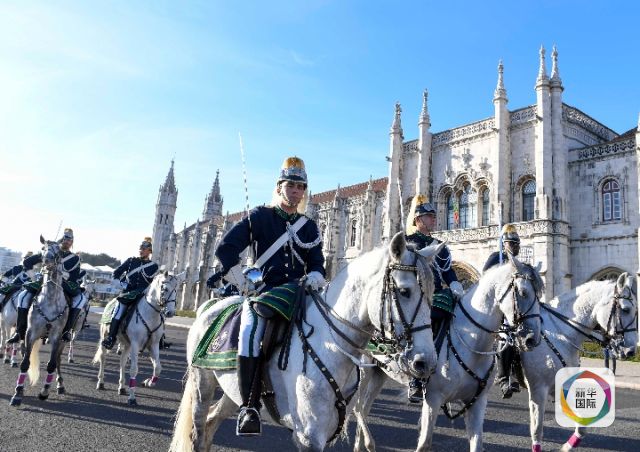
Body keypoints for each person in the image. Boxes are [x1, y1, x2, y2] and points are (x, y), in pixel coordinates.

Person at [213, 156, 325, 436]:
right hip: (264, 293)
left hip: (299, 293)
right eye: (290, 186)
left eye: (300, 187)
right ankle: (249, 407)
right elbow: (225, 248)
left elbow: (317, 262)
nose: (295, 192)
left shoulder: (308, 226)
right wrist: (241, 280)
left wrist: (316, 275)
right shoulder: (261, 217)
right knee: (249, 332)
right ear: (279, 187)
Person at [404, 194, 464, 403]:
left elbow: (447, 271)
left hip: (437, 293)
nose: (433, 219)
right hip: (416, 293)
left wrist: (455, 283)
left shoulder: (439, 244)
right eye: (429, 216)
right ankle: (416, 377)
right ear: (418, 219)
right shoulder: (409, 242)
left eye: (433, 216)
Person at [8, 229, 86, 344]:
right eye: (65, 239)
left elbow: (74, 277)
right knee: (22, 296)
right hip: (44, 281)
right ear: (61, 240)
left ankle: (67, 331)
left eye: (69, 240)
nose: (67, 242)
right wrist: (33, 277)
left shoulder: (75, 258)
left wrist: (62, 275)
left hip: (64, 284)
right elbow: (27, 262)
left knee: (81, 299)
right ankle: (19, 331)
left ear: (72, 242)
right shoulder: (50, 251)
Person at [483, 223, 521, 398]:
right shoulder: (496, 258)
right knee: (506, 337)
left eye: (517, 244)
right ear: (503, 244)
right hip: (498, 306)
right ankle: (503, 378)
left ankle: (517, 374)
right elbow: (486, 279)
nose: (515, 247)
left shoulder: (518, 263)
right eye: (511, 243)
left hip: (515, 306)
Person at [101, 237, 159, 350]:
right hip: (128, 294)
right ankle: (111, 337)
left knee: (157, 313)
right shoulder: (131, 261)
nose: (141, 250)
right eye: (140, 248)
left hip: (143, 295)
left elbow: (155, 282)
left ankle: (159, 339)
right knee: (117, 312)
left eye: (144, 249)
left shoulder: (153, 266)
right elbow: (116, 273)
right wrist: (120, 284)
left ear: (149, 251)